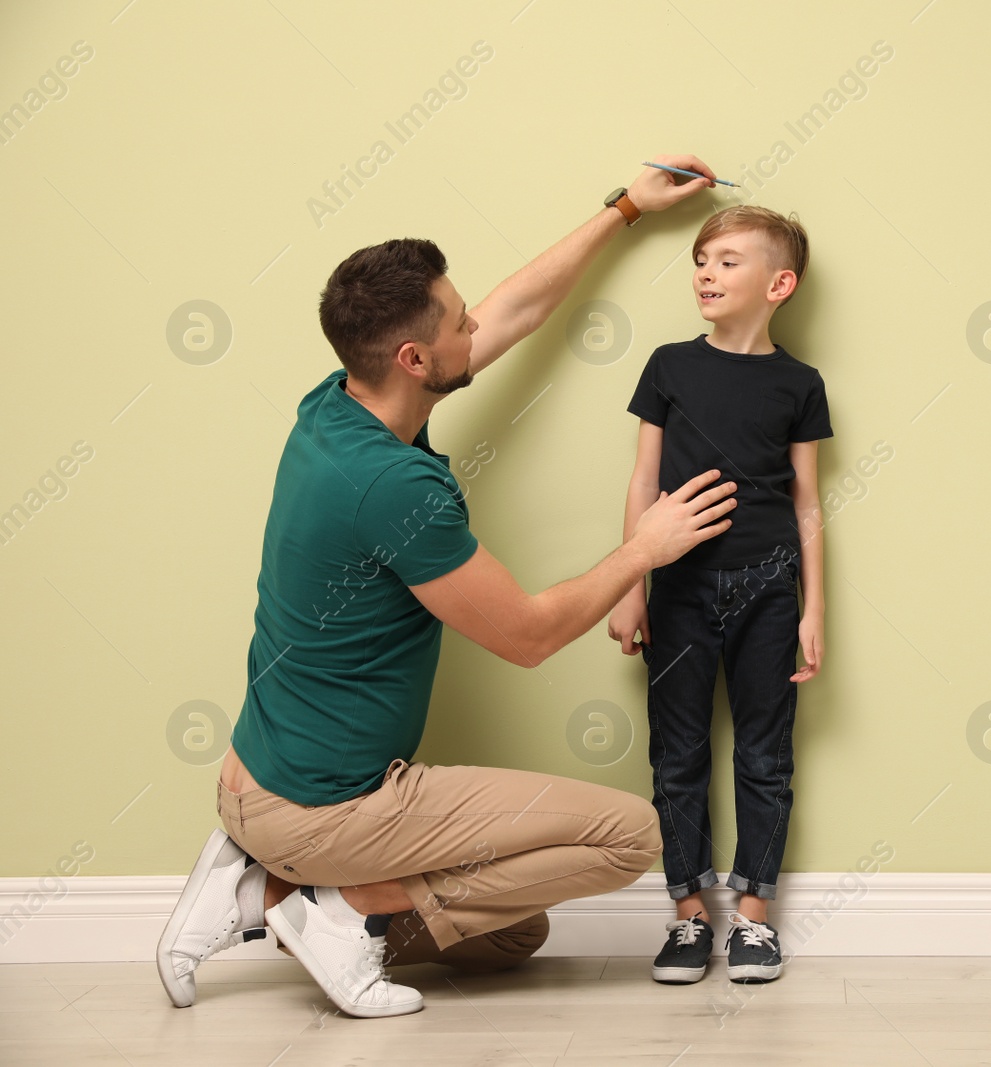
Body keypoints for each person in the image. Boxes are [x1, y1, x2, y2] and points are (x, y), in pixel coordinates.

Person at [156, 156, 742, 1019]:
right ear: (413, 356)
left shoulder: (335, 404)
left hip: (257, 781)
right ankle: (325, 903)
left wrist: (623, 209)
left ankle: (264, 887)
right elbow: (530, 635)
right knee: (630, 836)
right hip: (330, 803)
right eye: (458, 322)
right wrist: (643, 546)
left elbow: (515, 309)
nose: (478, 325)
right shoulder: (394, 490)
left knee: (514, 933)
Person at [607, 205, 830, 985]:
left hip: (771, 586)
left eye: (728, 260)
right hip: (678, 588)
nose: (706, 270)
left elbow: (806, 501)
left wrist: (812, 608)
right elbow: (642, 479)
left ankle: (755, 922)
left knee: (766, 756)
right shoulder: (669, 366)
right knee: (678, 755)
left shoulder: (800, 383)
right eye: (701, 258)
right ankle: (688, 916)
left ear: (778, 283)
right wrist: (632, 586)